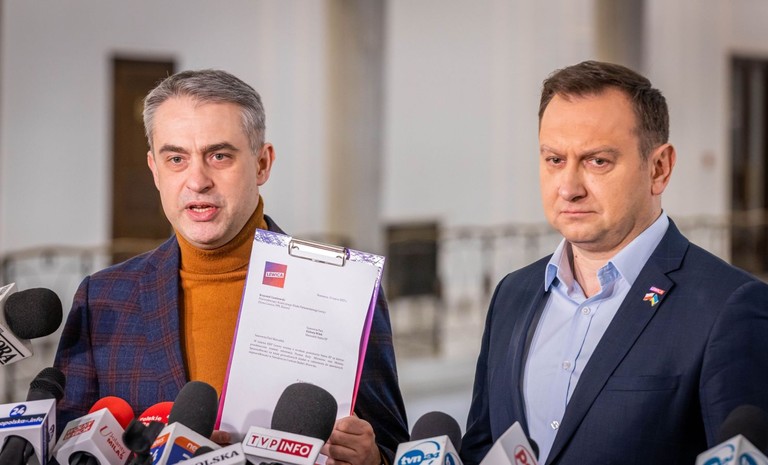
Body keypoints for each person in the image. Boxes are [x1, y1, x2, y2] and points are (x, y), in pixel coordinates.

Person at [54, 69, 408, 465]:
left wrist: (373, 459)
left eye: (219, 156)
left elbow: (395, 446)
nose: (197, 180)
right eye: (176, 159)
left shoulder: (346, 291)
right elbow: (63, 451)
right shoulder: (102, 299)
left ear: (262, 164)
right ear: (155, 170)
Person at [460, 61, 768, 464]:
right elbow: (481, 446)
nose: (568, 188)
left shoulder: (729, 307)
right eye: (554, 160)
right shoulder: (512, 294)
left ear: (659, 169)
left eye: (597, 161)